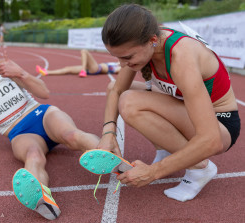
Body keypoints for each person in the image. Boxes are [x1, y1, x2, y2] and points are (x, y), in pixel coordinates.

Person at [0, 25, 99, 220]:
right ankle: (42, 199)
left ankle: (113, 158)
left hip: (41, 115)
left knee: (72, 135)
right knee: (33, 156)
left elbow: (44, 93)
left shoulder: (3, 66)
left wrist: (20, 73)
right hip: (19, 133)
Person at [97, 4, 240, 202]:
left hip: (221, 124)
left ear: (152, 40)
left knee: (130, 102)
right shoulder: (145, 43)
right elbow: (117, 89)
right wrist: (108, 134)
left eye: (127, 57)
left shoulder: (181, 57)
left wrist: (153, 172)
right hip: (184, 108)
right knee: (116, 89)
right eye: (117, 58)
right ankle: (166, 149)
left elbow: (211, 140)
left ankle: (199, 169)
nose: (122, 64)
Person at [36, 49, 121, 77]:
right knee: (67, 68)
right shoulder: (117, 63)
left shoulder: (120, 68)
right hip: (93, 68)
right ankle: (46, 72)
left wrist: (120, 66)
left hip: (96, 69)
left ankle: (83, 70)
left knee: (84, 51)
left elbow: (118, 71)